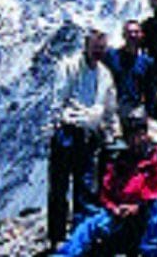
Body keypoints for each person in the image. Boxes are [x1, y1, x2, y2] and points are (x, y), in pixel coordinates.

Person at [55, 108, 157, 257]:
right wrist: (115, 207)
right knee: (89, 224)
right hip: (120, 215)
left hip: (145, 212)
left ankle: (150, 251)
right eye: (130, 136)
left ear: (145, 134)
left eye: (138, 134)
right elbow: (107, 191)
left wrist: (139, 205)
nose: (134, 141)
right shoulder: (120, 161)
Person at [48, 28, 117, 249]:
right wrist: (65, 121)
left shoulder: (105, 74)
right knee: (59, 186)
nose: (98, 51)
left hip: (90, 137)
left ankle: (79, 234)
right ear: (86, 45)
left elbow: (109, 106)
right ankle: (57, 236)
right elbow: (59, 99)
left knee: (84, 186)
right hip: (68, 131)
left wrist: (110, 131)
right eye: (95, 46)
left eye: (102, 47)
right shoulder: (68, 66)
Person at [103, 20, 157, 122]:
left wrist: (149, 114)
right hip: (112, 107)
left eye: (136, 32)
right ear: (123, 35)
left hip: (135, 109)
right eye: (129, 32)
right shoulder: (111, 56)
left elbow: (150, 91)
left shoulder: (147, 62)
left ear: (142, 35)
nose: (133, 35)